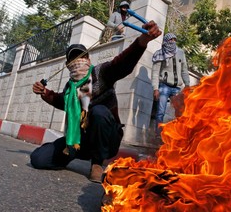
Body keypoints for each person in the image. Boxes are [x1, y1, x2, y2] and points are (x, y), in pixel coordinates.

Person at [30, 20, 162, 183]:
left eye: (82, 56)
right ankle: (61, 150)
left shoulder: (101, 73)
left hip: (107, 139)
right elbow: (61, 101)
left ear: (88, 58)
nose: (79, 61)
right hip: (80, 140)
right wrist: (45, 92)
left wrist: (143, 40)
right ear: (67, 65)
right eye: (74, 59)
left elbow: (122, 64)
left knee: (99, 112)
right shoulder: (70, 88)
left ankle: (97, 164)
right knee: (38, 159)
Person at [151, 33, 190, 137]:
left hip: (176, 88)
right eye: (171, 40)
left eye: (174, 39)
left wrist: (187, 85)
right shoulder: (160, 54)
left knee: (180, 112)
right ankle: (158, 134)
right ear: (166, 41)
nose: (173, 42)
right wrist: (155, 88)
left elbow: (184, 70)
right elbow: (155, 72)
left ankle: (178, 135)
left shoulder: (181, 52)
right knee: (160, 112)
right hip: (164, 87)